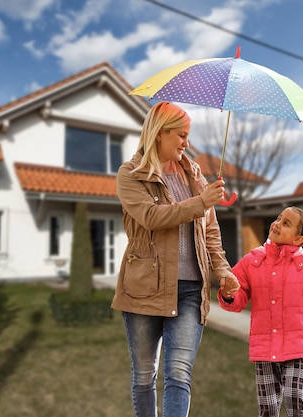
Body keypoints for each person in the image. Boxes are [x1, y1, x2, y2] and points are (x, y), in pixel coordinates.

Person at [111, 101, 240, 417]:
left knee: (179, 374)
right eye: (180, 135)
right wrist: (200, 202)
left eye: (187, 135)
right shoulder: (131, 174)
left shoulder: (193, 173)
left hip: (190, 291)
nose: (186, 142)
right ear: (159, 134)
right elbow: (152, 217)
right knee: (144, 375)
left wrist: (222, 271)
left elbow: (209, 231)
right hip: (144, 289)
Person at [218, 206, 303, 417]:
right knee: (267, 408)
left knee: (295, 399)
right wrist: (229, 293)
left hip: (297, 345)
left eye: (286, 223)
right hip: (264, 347)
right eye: (279, 218)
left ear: (298, 240)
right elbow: (238, 298)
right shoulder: (252, 261)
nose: (277, 223)